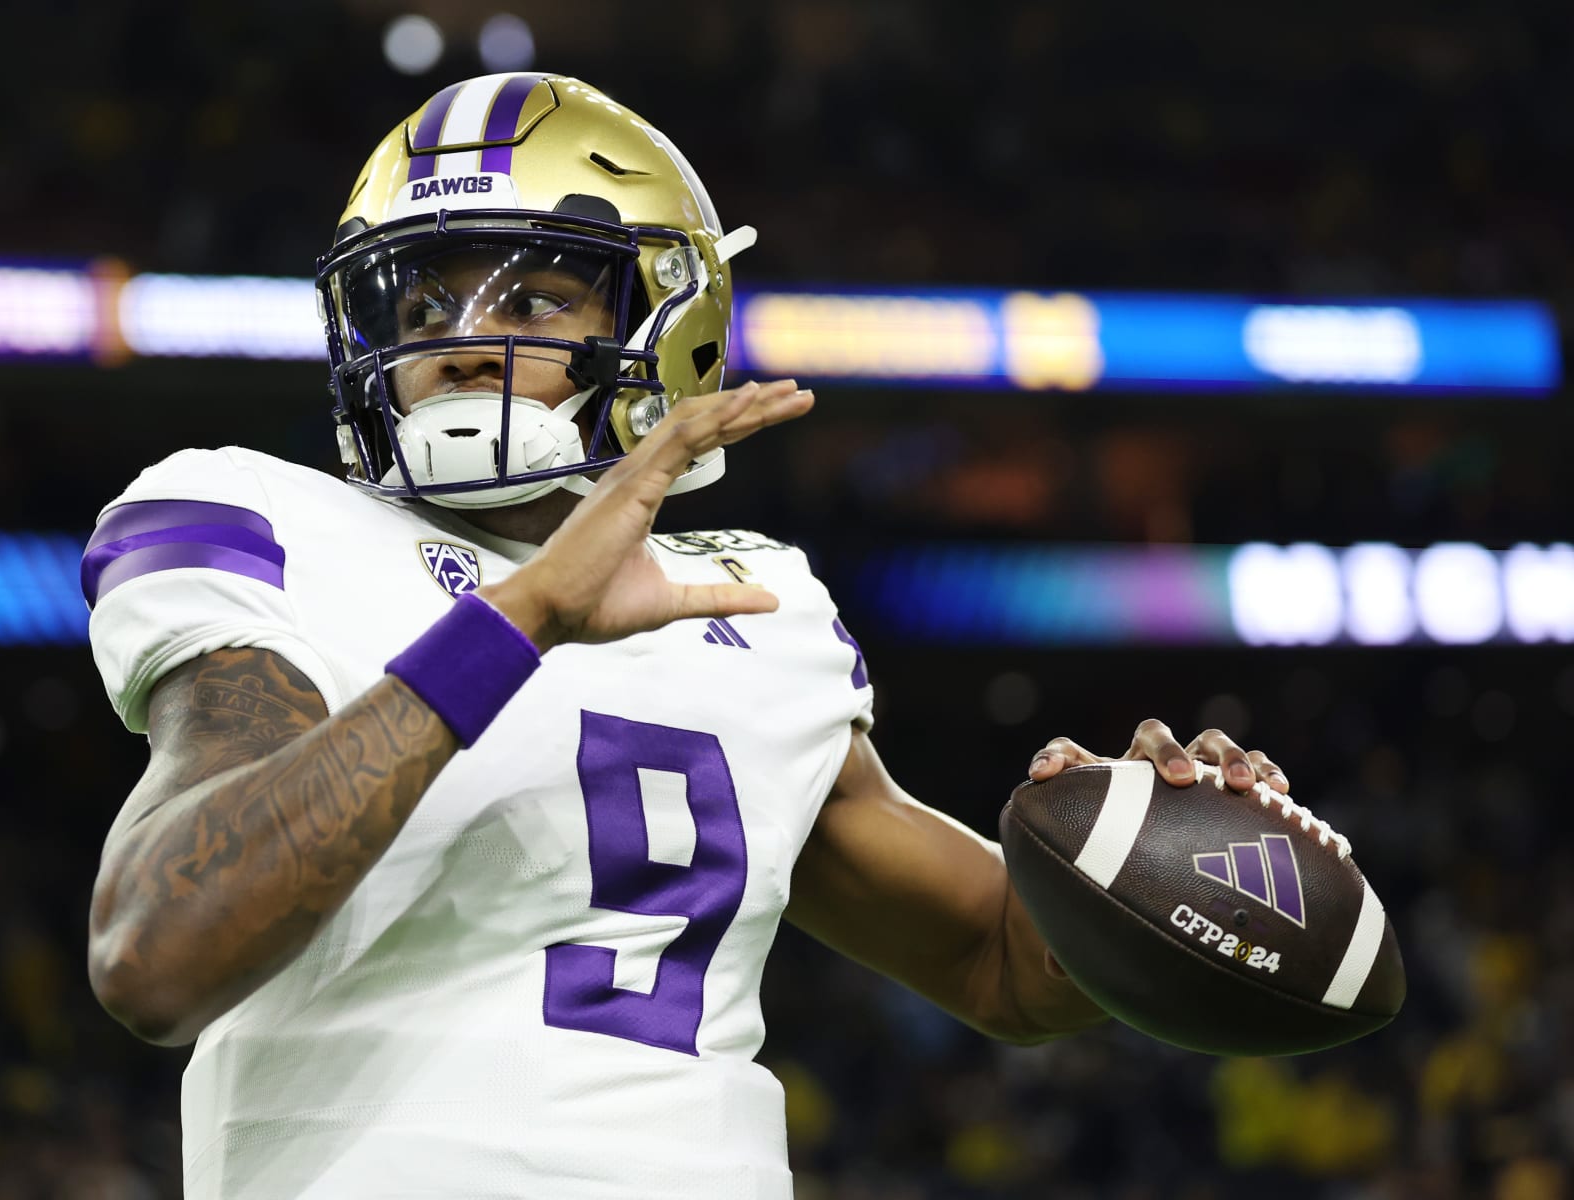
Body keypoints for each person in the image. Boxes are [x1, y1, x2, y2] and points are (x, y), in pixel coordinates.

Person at [81, 72, 1290, 1198]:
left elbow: (1003, 969)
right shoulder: (267, 519)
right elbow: (156, 952)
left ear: (670, 327)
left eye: (537, 295)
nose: (458, 336)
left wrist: (1157, 852)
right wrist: (521, 621)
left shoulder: (759, 607)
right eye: (423, 296)